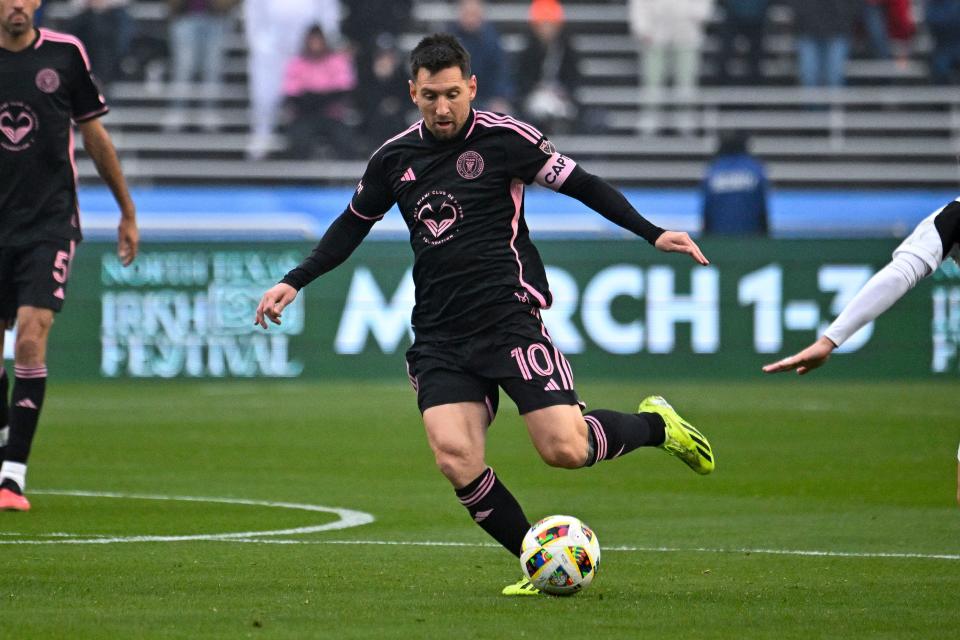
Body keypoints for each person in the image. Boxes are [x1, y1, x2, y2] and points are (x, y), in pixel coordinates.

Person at [254, 33, 715, 595]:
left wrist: (652, 232)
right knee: (455, 456)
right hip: (441, 335)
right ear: (412, 92)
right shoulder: (394, 158)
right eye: (429, 96)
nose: (442, 107)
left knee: (564, 450)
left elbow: (583, 185)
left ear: (471, 86)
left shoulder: (505, 140)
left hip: (508, 320)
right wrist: (293, 280)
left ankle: (657, 426)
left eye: (452, 94)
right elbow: (352, 223)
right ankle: (535, 560)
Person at [0, 0, 139, 511]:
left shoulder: (64, 55)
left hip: (49, 225)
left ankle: (11, 478)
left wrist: (126, 210)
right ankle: (3, 451)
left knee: (30, 342)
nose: (17, 4)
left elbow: (95, 135)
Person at [762, 198, 959, 505]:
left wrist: (829, 340)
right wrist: (830, 340)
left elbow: (901, 273)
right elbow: (902, 272)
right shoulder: (954, 215)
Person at [243, 0, 342, 159]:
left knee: (307, 96)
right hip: (271, 49)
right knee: (264, 96)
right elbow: (253, 12)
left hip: (307, 47)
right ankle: (262, 134)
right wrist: (257, 43)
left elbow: (328, 11)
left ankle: (305, 139)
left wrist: (327, 39)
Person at [627, 0, 714, 134]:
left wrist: (696, 16)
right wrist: (643, 29)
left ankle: (684, 116)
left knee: (686, 78)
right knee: (652, 79)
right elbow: (639, 5)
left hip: (686, 31)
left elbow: (703, 7)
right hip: (655, 33)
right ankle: (650, 116)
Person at [280, 25, 357, 159]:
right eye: (312, 41)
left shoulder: (337, 61)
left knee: (345, 139)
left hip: (332, 115)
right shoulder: (297, 63)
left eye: (318, 41)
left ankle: (343, 178)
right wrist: (319, 97)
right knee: (298, 140)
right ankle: (301, 178)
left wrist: (317, 98)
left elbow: (344, 89)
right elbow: (291, 93)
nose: (315, 45)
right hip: (305, 115)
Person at [163, 0, 238, 131]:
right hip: (185, 16)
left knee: (213, 68)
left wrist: (224, 6)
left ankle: (209, 111)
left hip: (216, 18)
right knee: (184, 68)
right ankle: (177, 110)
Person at [516, 0, 583, 134]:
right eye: (543, 24)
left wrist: (564, 92)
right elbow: (521, 78)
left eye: (550, 24)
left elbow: (574, 78)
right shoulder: (528, 50)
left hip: (560, 98)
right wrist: (535, 88)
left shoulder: (567, 48)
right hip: (534, 98)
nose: (547, 29)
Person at [448, 0, 514, 114]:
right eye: (467, 13)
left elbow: (500, 72)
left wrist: (499, 98)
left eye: (474, 14)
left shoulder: (492, 41)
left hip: (486, 98)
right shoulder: (448, 41)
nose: (470, 18)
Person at [701, 130, 769, 235]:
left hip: (719, 239)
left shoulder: (714, 170)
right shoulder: (754, 168)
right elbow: (762, 210)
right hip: (751, 239)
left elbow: (706, 212)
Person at [787, 0, 861, 88]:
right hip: (807, 29)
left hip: (839, 30)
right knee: (809, 78)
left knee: (834, 78)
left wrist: (845, 16)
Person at [715, 0, 770, 85]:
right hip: (736, 14)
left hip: (756, 15)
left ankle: (755, 79)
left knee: (756, 51)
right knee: (726, 48)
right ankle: (721, 78)